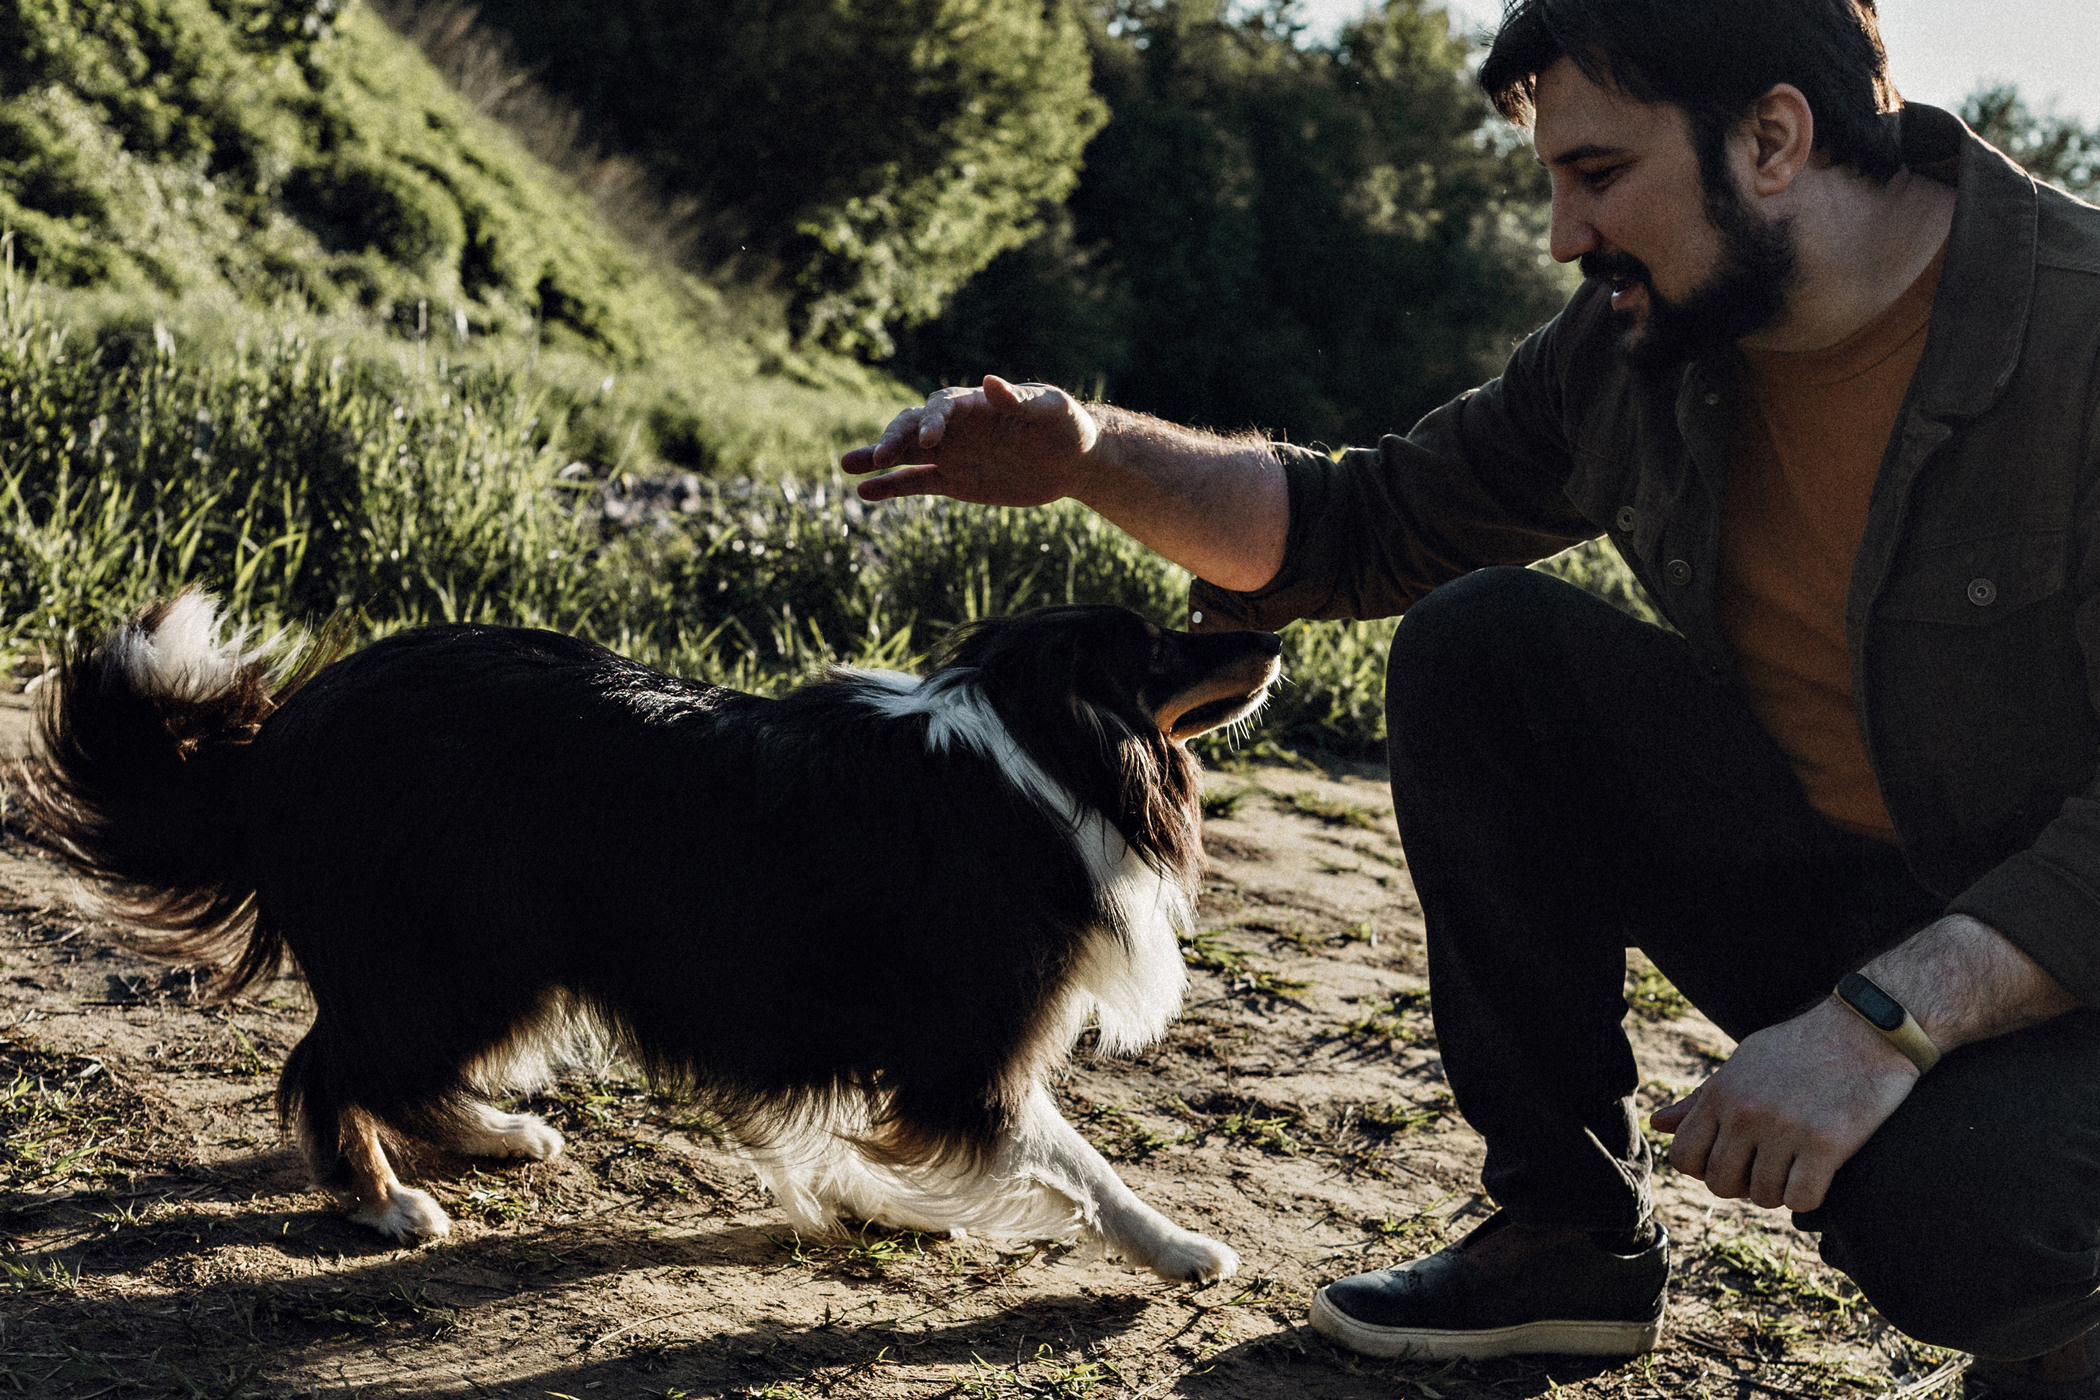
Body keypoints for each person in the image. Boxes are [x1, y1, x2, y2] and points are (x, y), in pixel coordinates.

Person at [840, 0, 2100, 1388]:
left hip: (2059, 966)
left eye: (1600, 175)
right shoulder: (1640, 339)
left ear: (1774, 138)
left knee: (1951, 1215)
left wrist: (1881, 1024)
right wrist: (1087, 455)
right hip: (1861, 898)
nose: (1565, 234)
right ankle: (1567, 1240)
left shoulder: (2082, 341)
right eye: (1556, 179)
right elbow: (1359, 521)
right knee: (1482, 644)